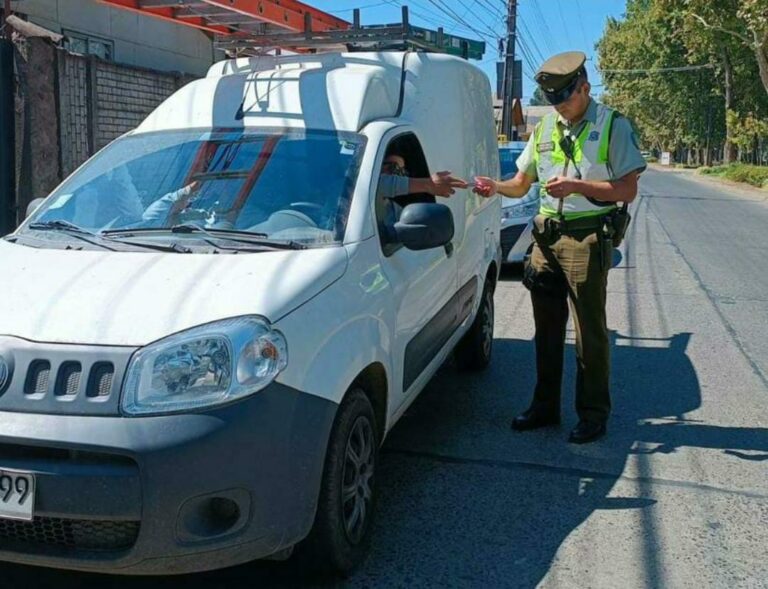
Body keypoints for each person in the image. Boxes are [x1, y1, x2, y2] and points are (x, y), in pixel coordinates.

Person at [474, 51, 647, 444]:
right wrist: (494, 187)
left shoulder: (612, 126)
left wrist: (578, 187)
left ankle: (592, 414)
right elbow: (522, 183)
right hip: (546, 239)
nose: (560, 108)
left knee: (590, 332)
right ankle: (544, 406)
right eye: (553, 101)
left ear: (585, 87)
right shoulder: (546, 128)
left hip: (586, 237)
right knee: (546, 330)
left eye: (565, 99)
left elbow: (627, 190)